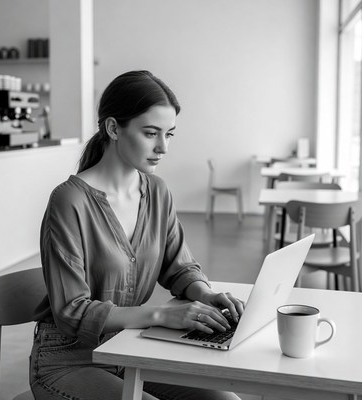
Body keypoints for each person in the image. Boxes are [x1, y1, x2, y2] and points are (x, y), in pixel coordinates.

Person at [30, 70, 244, 400]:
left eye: (169, 134)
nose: (163, 147)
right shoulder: (69, 201)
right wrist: (161, 315)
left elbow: (179, 267)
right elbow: (73, 312)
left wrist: (203, 293)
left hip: (129, 349)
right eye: (150, 133)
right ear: (113, 128)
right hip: (69, 360)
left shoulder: (157, 192)